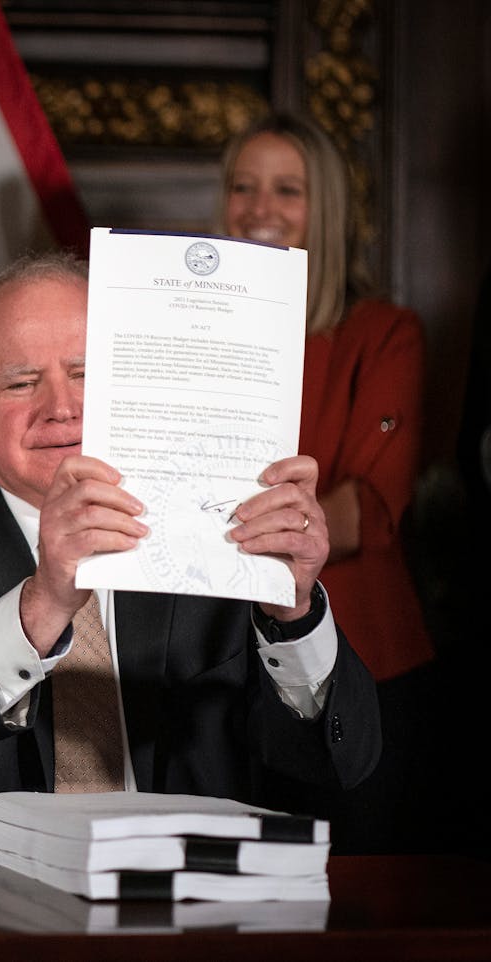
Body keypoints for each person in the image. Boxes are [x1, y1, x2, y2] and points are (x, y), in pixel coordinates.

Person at [0, 254, 381, 860]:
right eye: (20, 381)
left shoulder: (219, 535)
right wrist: (44, 601)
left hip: (178, 912)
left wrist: (294, 615)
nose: (61, 406)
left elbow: (342, 764)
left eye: (86, 374)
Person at [218, 113, 436, 852]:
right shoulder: (197, 333)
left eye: (288, 190)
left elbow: (368, 511)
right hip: (219, 661)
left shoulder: (385, 333)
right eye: (243, 188)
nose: (259, 210)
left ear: (328, 210)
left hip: (361, 663)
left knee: (350, 902)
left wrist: (229, 520)